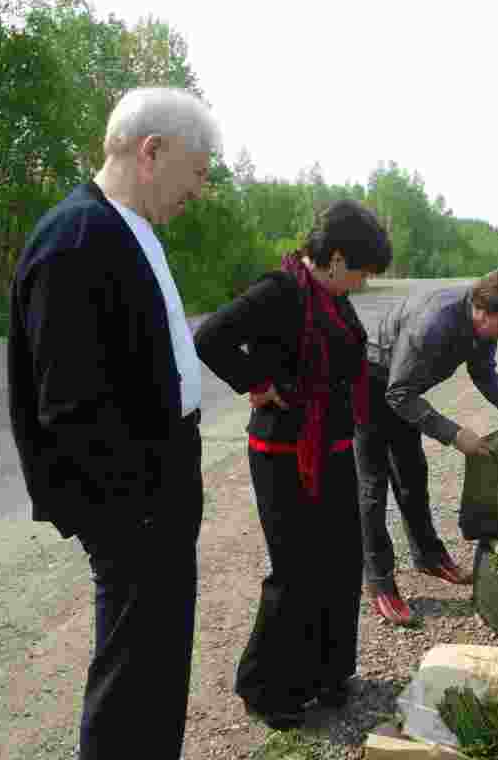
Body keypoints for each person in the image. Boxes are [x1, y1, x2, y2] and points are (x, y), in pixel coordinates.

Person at [7, 87, 221, 760]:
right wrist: (134, 510)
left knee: (155, 672)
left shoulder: (126, 226)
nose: (202, 187)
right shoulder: (78, 236)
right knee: (131, 679)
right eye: (199, 168)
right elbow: (68, 406)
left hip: (157, 493)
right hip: (134, 507)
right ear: (152, 151)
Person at [194, 200, 391, 730]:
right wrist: (256, 384)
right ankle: (266, 688)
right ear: (335, 258)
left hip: (330, 448)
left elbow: (348, 361)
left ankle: (326, 674)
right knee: (298, 571)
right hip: (282, 455)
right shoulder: (280, 291)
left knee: (342, 561)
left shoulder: (333, 297)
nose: (363, 283)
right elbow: (209, 339)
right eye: (361, 271)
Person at [356, 269, 498, 625]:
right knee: (372, 488)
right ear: (484, 311)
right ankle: (379, 582)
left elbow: (482, 370)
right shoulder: (434, 323)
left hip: (404, 391)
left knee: (412, 473)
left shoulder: (481, 321)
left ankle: (428, 556)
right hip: (370, 384)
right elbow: (397, 392)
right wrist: (454, 434)